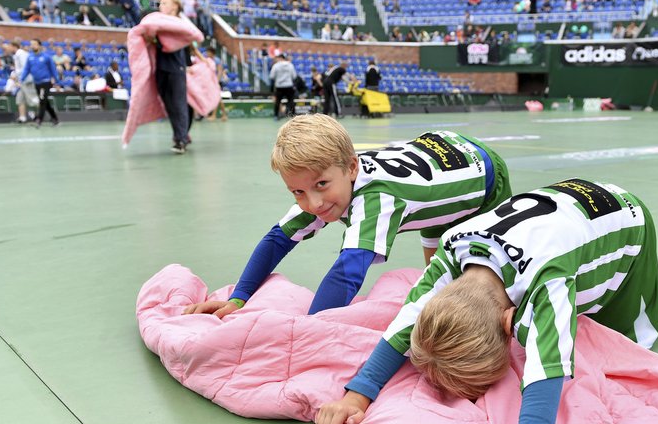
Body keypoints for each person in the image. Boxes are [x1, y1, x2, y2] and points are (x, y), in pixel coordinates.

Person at [315, 179, 658, 424]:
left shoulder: (547, 278)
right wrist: (356, 396)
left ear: (505, 323)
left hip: (622, 219)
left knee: (619, 341)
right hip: (561, 208)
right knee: (560, 320)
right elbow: (406, 321)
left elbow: (547, 363)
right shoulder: (452, 248)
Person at [183, 114, 513, 319]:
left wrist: (309, 329)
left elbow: (348, 272)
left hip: (480, 175)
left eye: (321, 185)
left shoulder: (376, 198)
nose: (312, 203)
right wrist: (239, 297)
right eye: (297, 192)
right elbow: (277, 239)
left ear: (352, 167)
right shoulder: (331, 174)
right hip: (437, 154)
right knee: (437, 274)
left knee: (479, 276)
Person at [153, 0, 196, 154]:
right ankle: (180, 135)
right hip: (161, 68)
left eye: (164, 3)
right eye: (160, 3)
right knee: (171, 107)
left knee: (179, 105)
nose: (160, 6)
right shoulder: (158, 23)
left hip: (176, 68)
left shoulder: (181, 24)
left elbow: (187, 45)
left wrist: (188, 65)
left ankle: (181, 139)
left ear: (175, 6)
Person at [20, 39, 60, 127]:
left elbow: (53, 69)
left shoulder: (46, 57)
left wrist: (57, 81)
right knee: (45, 101)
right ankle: (55, 118)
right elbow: (26, 69)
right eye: (31, 44)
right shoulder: (30, 57)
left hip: (45, 82)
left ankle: (39, 120)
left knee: (42, 100)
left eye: (34, 44)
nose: (32, 46)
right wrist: (21, 79)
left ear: (39, 46)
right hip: (36, 83)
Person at [11, 40, 37, 123]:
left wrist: (19, 79)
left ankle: (40, 115)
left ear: (14, 47)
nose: (8, 48)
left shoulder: (20, 54)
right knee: (20, 98)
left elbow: (25, 67)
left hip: (27, 81)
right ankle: (22, 117)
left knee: (33, 100)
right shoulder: (17, 54)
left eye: (10, 46)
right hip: (22, 81)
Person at [270, 53, 298, 120]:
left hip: (279, 87)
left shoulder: (275, 66)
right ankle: (292, 115)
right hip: (289, 86)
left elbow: (272, 76)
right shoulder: (290, 65)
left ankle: (276, 116)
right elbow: (294, 76)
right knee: (291, 101)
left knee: (278, 101)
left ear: (280, 58)